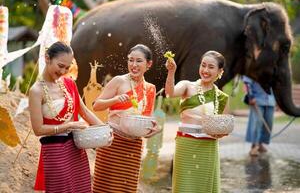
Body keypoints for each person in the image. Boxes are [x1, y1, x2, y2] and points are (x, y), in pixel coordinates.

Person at [29, 41, 103, 192]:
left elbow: (85, 112)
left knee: (81, 188)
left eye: (67, 68)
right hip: (55, 151)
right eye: (60, 66)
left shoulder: (69, 83)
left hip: (77, 148)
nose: (63, 71)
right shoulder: (36, 91)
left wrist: (105, 129)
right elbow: (38, 129)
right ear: (47, 58)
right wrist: (69, 125)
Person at [92, 44, 159, 192]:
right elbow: (96, 105)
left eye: (139, 61)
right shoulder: (119, 81)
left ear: (148, 64)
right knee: (106, 187)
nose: (133, 65)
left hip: (134, 146)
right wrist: (115, 100)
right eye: (130, 60)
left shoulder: (150, 89)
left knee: (126, 188)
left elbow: (146, 118)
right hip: (112, 142)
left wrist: (152, 129)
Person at [165, 50, 229, 193]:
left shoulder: (222, 97)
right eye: (203, 65)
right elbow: (170, 93)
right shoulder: (187, 86)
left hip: (208, 147)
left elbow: (225, 126)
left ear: (220, 71)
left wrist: (221, 134)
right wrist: (171, 72)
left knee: (203, 188)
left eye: (211, 67)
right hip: (186, 145)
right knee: (183, 187)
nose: (205, 70)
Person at [242, 76, 275, 156]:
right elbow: (247, 81)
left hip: (270, 100)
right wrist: (251, 96)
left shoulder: (274, 66)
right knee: (256, 123)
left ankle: (260, 144)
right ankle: (254, 145)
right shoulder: (254, 66)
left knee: (268, 122)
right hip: (257, 99)